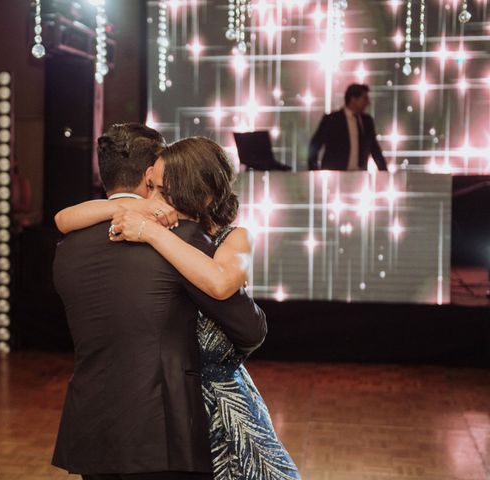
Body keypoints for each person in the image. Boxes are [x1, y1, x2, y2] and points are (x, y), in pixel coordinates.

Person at [56, 136, 300, 480]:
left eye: (163, 191)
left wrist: (151, 233)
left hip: (220, 407)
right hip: (170, 408)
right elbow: (64, 218)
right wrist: (131, 212)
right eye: (151, 187)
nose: (151, 199)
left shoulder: (233, 239)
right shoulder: (153, 227)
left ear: (203, 196)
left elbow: (220, 285)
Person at [308, 83, 387, 171]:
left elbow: (374, 148)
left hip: (359, 175)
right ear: (353, 99)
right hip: (335, 175)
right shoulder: (332, 119)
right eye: (364, 98)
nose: (368, 102)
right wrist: (313, 168)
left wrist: (384, 171)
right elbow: (316, 143)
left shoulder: (367, 121)